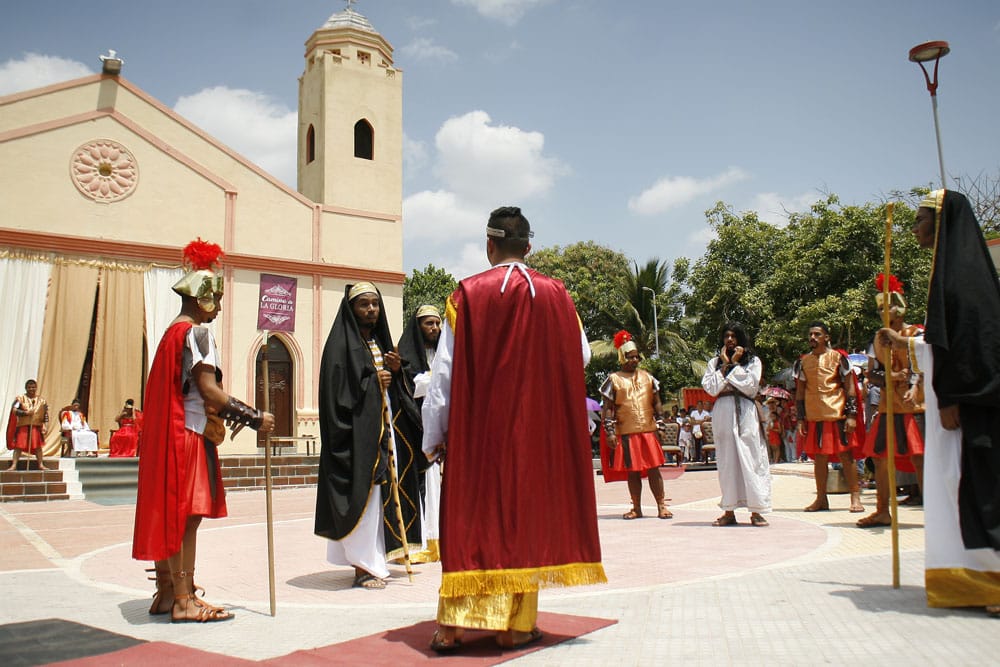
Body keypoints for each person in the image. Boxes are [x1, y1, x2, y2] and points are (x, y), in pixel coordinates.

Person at [421, 206, 605, 651]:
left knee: (471, 522)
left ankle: (451, 628)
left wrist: (434, 434)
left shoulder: (466, 294)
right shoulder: (558, 295)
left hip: (479, 433)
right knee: (523, 523)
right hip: (534, 437)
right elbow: (579, 356)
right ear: (529, 246)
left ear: (489, 246)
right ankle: (516, 627)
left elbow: (442, 375)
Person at [132, 238, 275, 623]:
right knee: (187, 516)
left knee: (172, 512)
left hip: (172, 433)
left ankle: (165, 591)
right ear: (204, 299)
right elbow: (208, 389)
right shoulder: (196, 334)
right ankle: (184, 599)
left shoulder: (170, 334)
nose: (221, 308)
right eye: (218, 300)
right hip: (188, 435)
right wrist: (254, 416)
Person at [877, 190, 1000, 616]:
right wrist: (904, 343)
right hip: (956, 402)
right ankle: (971, 579)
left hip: (970, 407)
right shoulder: (947, 274)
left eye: (920, 219)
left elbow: (973, 348)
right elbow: (942, 345)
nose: (914, 228)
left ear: (942, 223)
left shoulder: (963, 280)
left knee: (979, 490)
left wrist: (952, 396)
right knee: (956, 489)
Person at [315, 282, 426, 590]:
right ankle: (362, 567)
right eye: (364, 304)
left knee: (381, 500)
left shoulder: (379, 344)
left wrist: (396, 372)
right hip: (357, 439)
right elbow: (337, 396)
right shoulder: (341, 347)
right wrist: (372, 384)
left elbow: (398, 389)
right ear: (352, 309)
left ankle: (375, 558)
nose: (371, 310)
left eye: (375, 304)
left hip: (383, 434)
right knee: (365, 499)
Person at [857, 274, 925, 528]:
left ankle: (934, 512)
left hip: (913, 404)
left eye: (887, 307)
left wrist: (913, 384)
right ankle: (882, 510)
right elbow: (872, 373)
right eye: (880, 309)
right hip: (887, 405)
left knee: (920, 458)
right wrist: (890, 376)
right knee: (881, 458)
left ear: (899, 308)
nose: (883, 312)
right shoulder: (878, 337)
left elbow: (923, 366)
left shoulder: (915, 334)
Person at [701, 322, 772, 526]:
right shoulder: (714, 363)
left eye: (733, 336)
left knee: (752, 457)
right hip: (723, 411)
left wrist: (734, 365)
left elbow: (750, 387)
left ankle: (757, 510)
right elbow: (711, 388)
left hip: (745, 412)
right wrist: (724, 365)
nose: (730, 340)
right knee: (726, 461)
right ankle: (729, 510)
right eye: (726, 336)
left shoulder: (753, 361)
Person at [599, 330, 671, 520]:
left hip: (648, 429)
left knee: (654, 469)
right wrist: (609, 431)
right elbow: (607, 408)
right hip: (627, 431)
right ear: (622, 357)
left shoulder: (648, 377)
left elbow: (657, 403)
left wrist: (661, 424)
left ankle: (661, 506)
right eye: (630, 357)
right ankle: (637, 507)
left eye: (636, 357)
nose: (635, 360)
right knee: (633, 471)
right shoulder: (613, 379)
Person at [795, 321, 865, 513]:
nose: (813, 338)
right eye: (811, 334)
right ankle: (821, 498)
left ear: (826, 337)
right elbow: (800, 392)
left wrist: (851, 415)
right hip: (815, 415)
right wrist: (801, 418)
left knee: (846, 455)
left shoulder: (838, 358)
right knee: (819, 458)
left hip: (837, 413)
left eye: (817, 334)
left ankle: (855, 496)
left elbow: (850, 387)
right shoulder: (803, 362)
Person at [397, 304, 443, 563]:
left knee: (440, 491)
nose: (434, 328)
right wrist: (436, 379)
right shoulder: (404, 356)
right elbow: (410, 386)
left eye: (437, 324)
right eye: (429, 323)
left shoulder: (443, 354)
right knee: (421, 489)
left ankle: (439, 541)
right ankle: (418, 543)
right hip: (415, 433)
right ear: (418, 326)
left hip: (440, 433)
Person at [5, 379, 49, 471]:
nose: (31, 389)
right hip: (23, 426)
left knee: (38, 446)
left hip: (36, 426)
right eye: (29, 387)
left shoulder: (42, 401)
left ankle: (41, 464)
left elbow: (45, 414)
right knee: (19, 445)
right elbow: (14, 410)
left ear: (36, 388)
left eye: (33, 387)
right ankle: (14, 465)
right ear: (26, 388)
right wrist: (26, 413)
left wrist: (45, 425)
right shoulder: (20, 399)